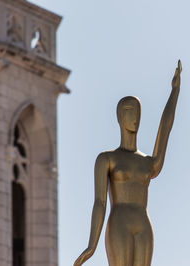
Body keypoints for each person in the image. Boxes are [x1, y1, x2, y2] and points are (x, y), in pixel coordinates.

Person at [74, 60, 182, 266]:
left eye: (138, 111)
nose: (134, 116)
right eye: (129, 110)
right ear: (119, 117)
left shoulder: (148, 163)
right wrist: (91, 246)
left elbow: (166, 128)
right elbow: (99, 202)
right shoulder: (107, 159)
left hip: (143, 224)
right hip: (119, 224)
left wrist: (174, 92)